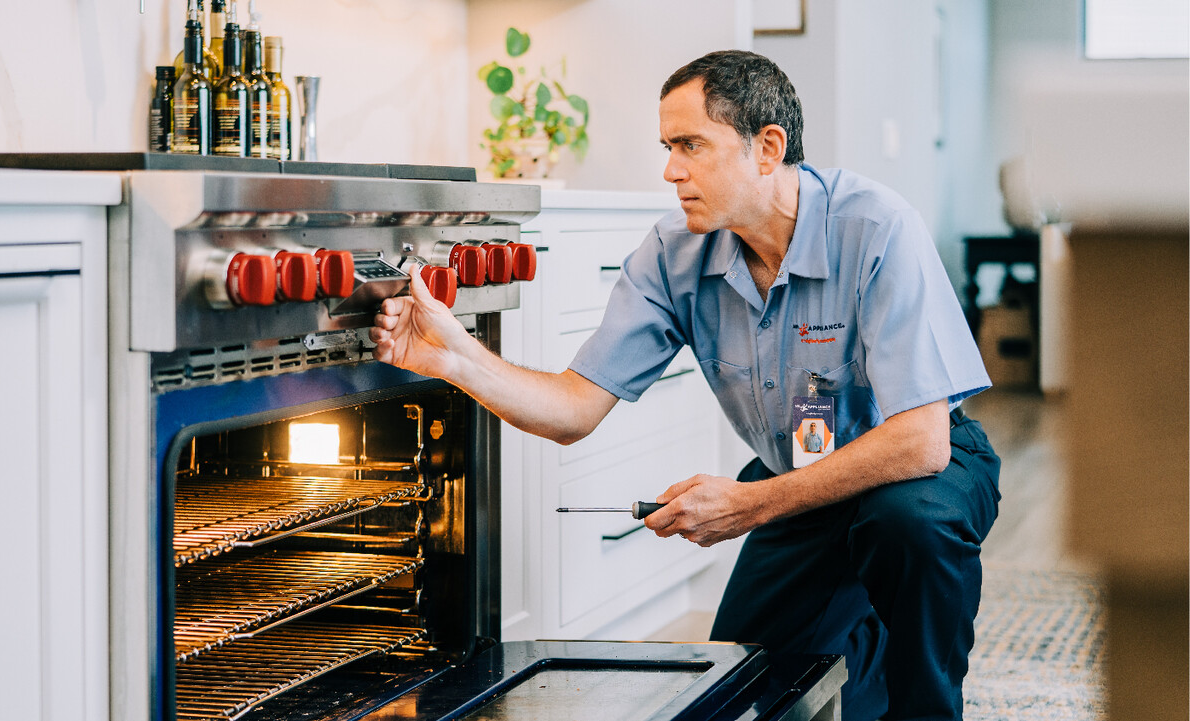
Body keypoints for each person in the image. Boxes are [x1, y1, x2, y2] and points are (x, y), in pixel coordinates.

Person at [372, 49, 1000, 721]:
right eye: (669, 146)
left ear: (767, 147)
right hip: (802, 482)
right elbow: (572, 408)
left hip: (915, 468)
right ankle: (867, 640)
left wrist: (749, 504)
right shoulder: (673, 255)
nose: (671, 169)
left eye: (691, 145)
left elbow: (921, 441)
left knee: (908, 526)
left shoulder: (876, 228)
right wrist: (454, 358)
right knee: (746, 692)